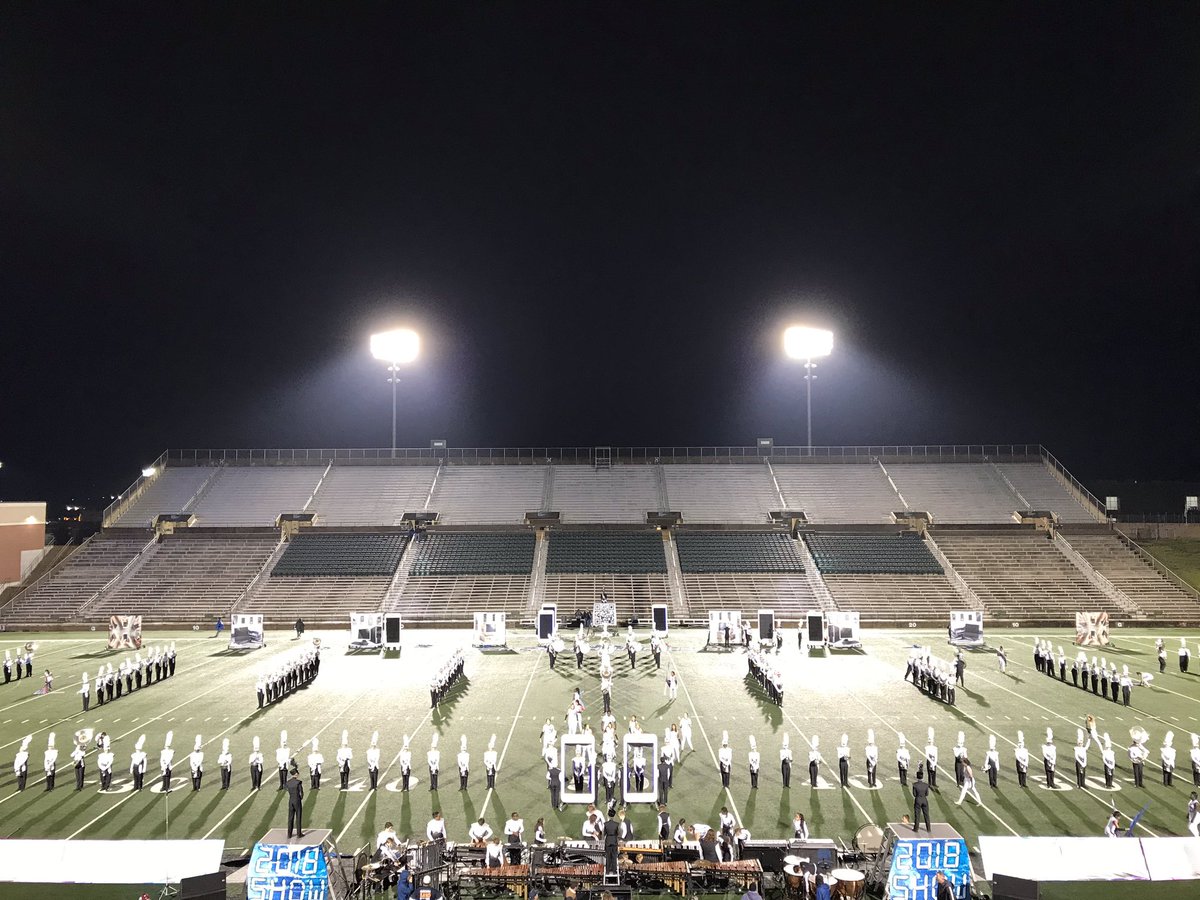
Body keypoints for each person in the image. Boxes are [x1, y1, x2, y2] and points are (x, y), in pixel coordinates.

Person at [286, 764, 305, 839]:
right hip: (297, 800)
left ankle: (289, 834)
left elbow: (286, 788)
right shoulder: (298, 782)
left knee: (290, 817)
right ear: (296, 774)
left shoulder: (288, 782)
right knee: (298, 816)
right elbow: (301, 792)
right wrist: (300, 798)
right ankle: (299, 833)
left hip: (291, 800)